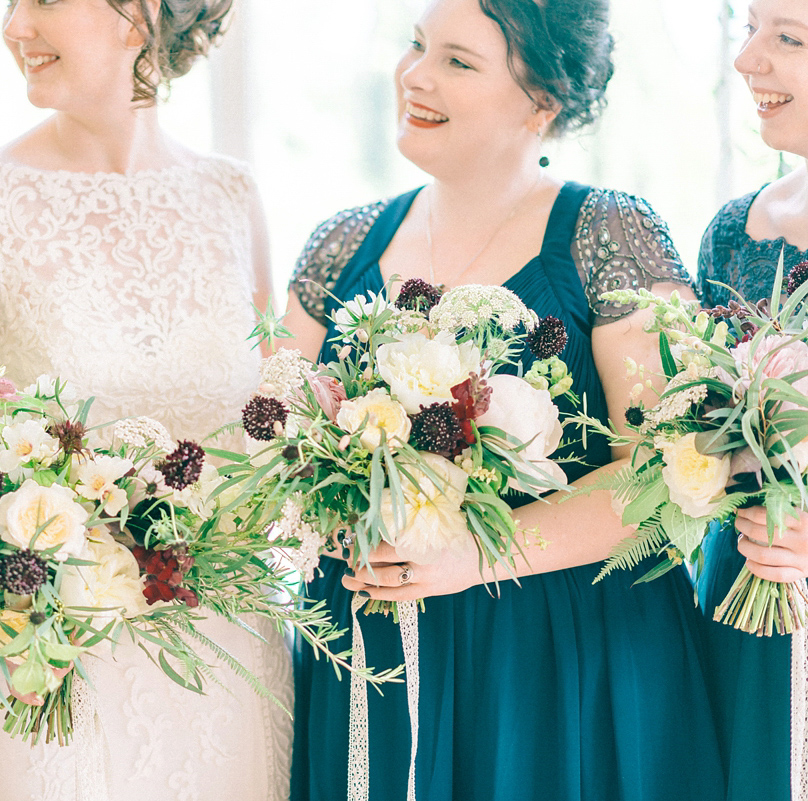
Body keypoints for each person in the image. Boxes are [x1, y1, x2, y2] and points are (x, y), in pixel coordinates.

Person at [283, 0, 726, 798]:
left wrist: (475, 552)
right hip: (373, 654)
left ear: (542, 101)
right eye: (418, 46)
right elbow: (275, 446)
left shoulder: (608, 234)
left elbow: (667, 479)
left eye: (458, 61)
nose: (414, 75)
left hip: (563, 667)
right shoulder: (339, 245)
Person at [0, 0, 291, 798]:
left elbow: (271, 427)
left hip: (224, 661)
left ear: (137, 17)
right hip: (43, 680)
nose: (13, 28)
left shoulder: (232, 200)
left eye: (40, 0)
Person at [696, 1, 808, 797]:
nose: (748, 61)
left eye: (789, 38)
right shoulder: (732, 233)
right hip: (736, 599)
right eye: (749, 28)